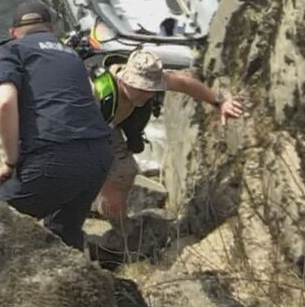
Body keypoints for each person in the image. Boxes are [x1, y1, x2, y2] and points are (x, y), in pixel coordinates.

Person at [0, 0, 112, 250]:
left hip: (56, 156)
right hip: (99, 154)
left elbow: (4, 103)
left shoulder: (12, 50)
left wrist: (11, 161)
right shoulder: (72, 55)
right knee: (64, 233)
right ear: (52, 29)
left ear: (13, 33)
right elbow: (91, 96)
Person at [92, 50, 243, 233]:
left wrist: (220, 103)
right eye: (139, 89)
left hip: (109, 127)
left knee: (126, 170)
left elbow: (184, 83)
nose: (145, 95)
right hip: (83, 132)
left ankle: (115, 218)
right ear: (125, 79)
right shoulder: (96, 93)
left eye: (150, 90)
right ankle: (116, 227)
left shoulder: (153, 79)